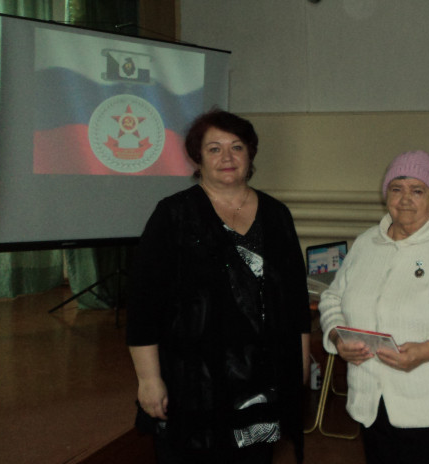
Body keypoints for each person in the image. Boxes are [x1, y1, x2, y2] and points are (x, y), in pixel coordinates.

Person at [127, 110, 311, 464]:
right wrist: (148, 379)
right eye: (214, 148)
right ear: (198, 157)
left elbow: (295, 300)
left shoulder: (276, 215)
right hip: (195, 382)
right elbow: (143, 305)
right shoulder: (173, 214)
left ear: (250, 154)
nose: (227, 157)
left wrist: (299, 365)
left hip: (262, 381)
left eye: (236, 147)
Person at [318, 150, 429, 464]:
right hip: (373, 405)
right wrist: (337, 336)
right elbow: (332, 298)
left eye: (417, 190)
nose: (404, 199)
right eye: (396, 189)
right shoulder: (366, 244)